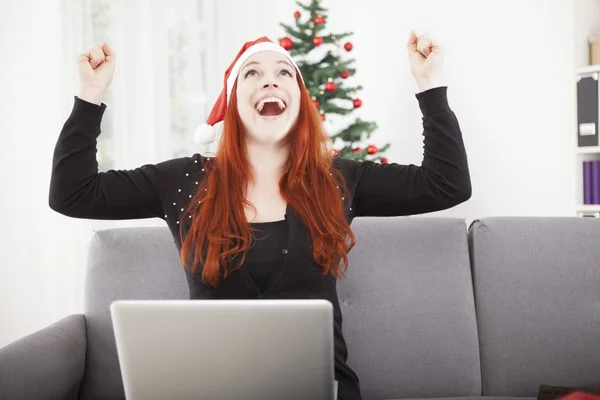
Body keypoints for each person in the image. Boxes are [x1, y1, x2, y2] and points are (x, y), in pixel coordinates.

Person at [49, 30, 471, 400]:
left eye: (284, 73)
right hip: (212, 389)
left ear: (301, 103)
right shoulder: (184, 180)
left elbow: (446, 184)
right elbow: (73, 194)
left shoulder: (338, 179)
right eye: (252, 73)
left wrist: (429, 83)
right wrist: (90, 96)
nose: (270, 78)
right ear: (233, 102)